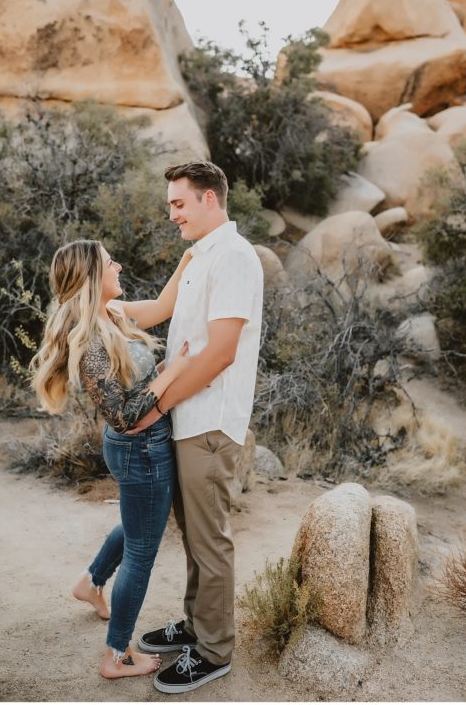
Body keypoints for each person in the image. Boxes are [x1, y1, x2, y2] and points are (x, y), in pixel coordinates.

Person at [128, 161, 264, 694]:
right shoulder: (200, 255)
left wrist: (156, 405)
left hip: (209, 420)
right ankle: (196, 625)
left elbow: (221, 353)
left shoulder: (234, 257)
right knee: (192, 533)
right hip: (187, 416)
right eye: (170, 205)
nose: (172, 215)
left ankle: (215, 651)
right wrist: (94, 308)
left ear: (210, 198)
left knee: (209, 539)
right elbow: (160, 313)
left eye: (179, 204)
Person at [32, 240, 193, 678]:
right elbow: (122, 417)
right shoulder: (90, 341)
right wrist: (172, 373)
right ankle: (116, 655)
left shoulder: (115, 313)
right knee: (142, 552)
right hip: (140, 449)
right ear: (91, 277)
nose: (118, 266)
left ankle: (91, 582)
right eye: (109, 262)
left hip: (142, 448)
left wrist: (189, 256)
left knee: (139, 524)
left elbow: (163, 305)